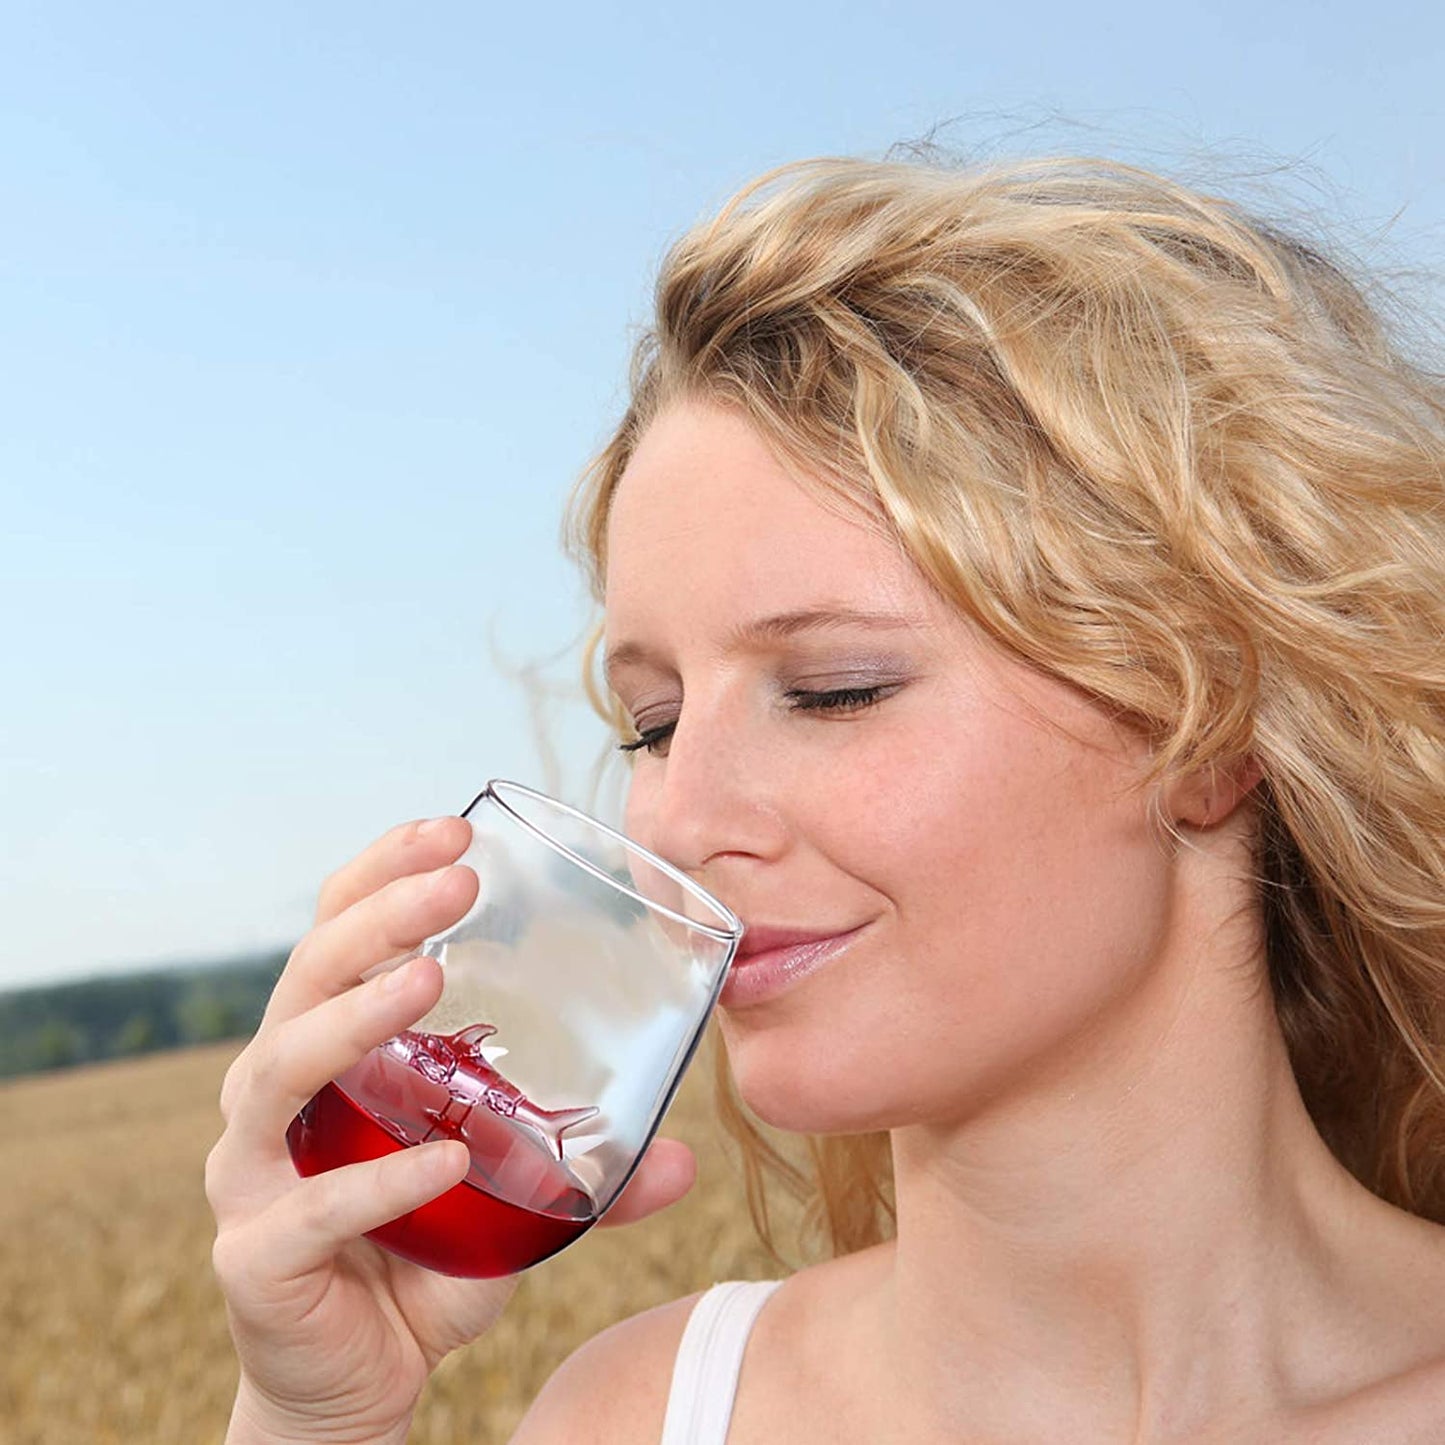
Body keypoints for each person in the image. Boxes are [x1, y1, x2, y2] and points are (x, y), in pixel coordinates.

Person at [206, 153, 1445, 1442]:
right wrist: (316, 1424)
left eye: (836, 689)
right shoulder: (636, 1419)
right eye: (656, 723)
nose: (676, 827)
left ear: (1209, 728)